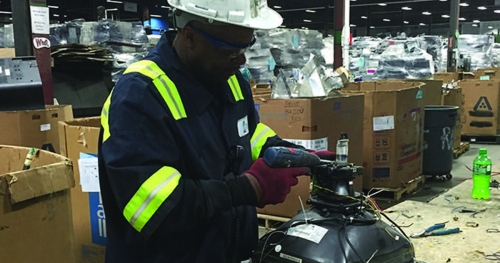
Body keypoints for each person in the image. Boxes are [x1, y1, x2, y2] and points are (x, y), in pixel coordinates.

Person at [98, 1, 335, 262]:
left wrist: (289, 153)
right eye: (230, 50)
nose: (242, 59)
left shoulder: (231, 81)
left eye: (247, 46)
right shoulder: (140, 96)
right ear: (190, 36)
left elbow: (248, 134)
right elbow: (155, 207)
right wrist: (249, 188)